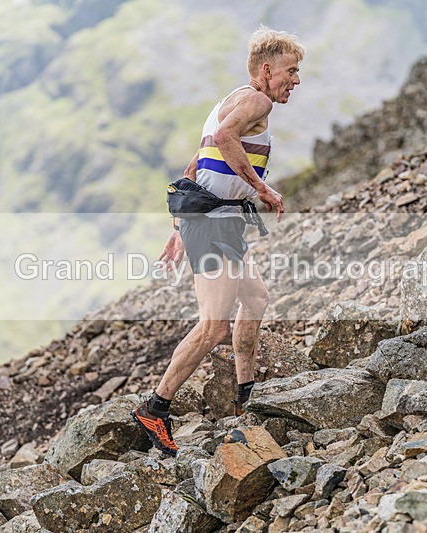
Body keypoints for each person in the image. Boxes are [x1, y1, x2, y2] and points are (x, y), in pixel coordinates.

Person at [132, 26, 304, 456]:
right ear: (267, 70)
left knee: (256, 298)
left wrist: (178, 230)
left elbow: (194, 166)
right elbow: (226, 139)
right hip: (213, 223)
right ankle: (155, 407)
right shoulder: (258, 101)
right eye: (291, 71)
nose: (296, 80)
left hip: (215, 222)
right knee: (213, 326)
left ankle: (246, 396)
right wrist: (262, 189)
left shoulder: (232, 100)